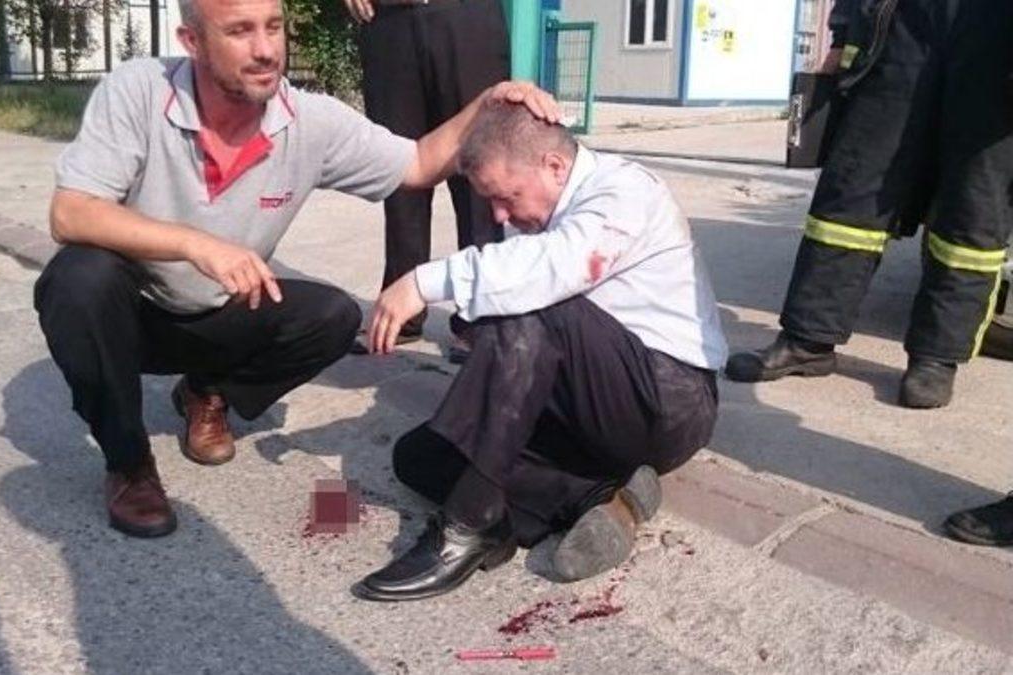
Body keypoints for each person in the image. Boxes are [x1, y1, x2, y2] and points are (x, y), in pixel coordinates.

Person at [33, 0, 559, 538]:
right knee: (78, 280)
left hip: (220, 312)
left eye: (274, 27)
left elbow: (420, 162)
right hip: (132, 314)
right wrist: (195, 244)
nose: (266, 50)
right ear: (192, 42)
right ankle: (128, 464)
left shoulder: (308, 120)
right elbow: (70, 212)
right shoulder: (139, 89)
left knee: (332, 317)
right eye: (240, 31)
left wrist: (488, 102)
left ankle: (207, 391)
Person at [351, 103, 727, 602]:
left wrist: (422, 283)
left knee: (534, 308)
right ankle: (601, 495)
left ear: (554, 166)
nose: (499, 215)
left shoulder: (623, 191)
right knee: (420, 457)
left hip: (665, 400)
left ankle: (468, 527)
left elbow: (552, 269)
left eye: (505, 197)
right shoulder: (538, 212)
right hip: (581, 404)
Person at [724, 0, 1013, 409]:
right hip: (904, 26)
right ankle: (808, 338)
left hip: (997, 38)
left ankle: (936, 357)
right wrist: (843, 33)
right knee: (851, 191)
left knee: (973, 208)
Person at [343, 0, 510, 362]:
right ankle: (401, 310)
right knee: (398, 166)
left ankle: (481, 315)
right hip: (389, 22)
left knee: (480, 168)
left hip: (465, 18)